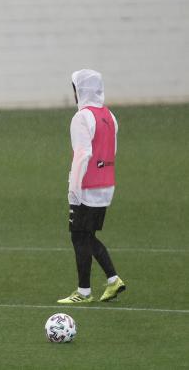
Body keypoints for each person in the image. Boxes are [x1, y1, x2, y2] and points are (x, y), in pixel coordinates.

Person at [58, 69, 126, 304]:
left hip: (86, 187)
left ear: (80, 90)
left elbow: (82, 154)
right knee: (87, 236)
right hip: (106, 184)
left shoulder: (81, 117)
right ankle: (111, 280)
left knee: (79, 237)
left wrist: (74, 188)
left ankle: (84, 291)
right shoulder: (109, 115)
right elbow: (112, 150)